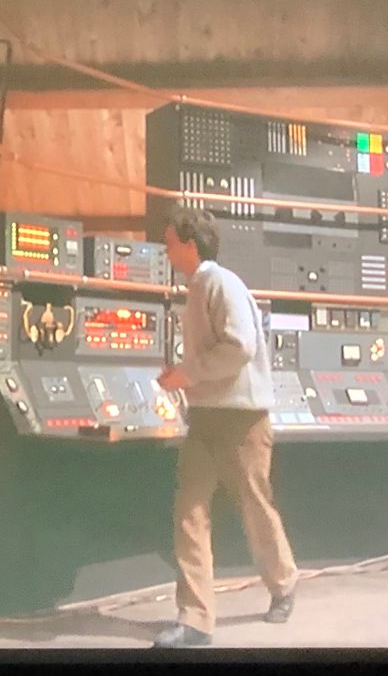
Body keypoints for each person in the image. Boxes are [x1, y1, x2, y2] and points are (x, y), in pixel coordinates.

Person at [153, 206, 298, 648]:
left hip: (241, 419)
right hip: (205, 417)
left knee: (254, 507)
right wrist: (186, 377)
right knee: (189, 513)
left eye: (170, 243)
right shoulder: (199, 287)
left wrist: (187, 374)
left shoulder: (220, 283)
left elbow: (240, 347)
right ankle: (196, 620)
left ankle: (284, 583)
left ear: (189, 245)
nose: (165, 251)